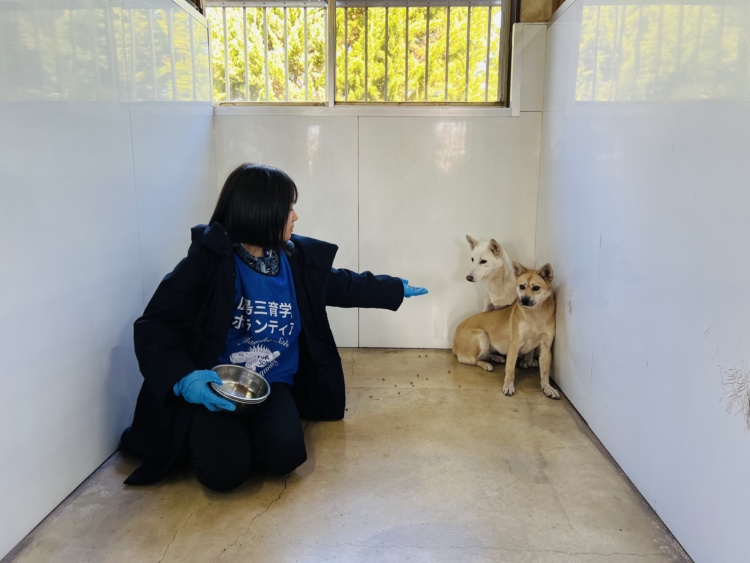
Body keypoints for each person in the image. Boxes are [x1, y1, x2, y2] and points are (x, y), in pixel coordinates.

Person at [120, 163, 428, 491]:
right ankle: (209, 434)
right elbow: (155, 325)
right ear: (260, 212)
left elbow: (341, 284)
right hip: (216, 385)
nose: (294, 217)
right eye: (289, 208)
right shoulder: (208, 263)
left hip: (272, 383)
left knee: (285, 458)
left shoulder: (292, 260)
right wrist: (184, 379)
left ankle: (246, 433)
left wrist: (392, 288)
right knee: (223, 475)